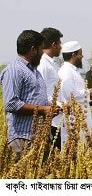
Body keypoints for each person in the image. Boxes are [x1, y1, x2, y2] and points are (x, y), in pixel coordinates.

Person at [0, 30, 58, 162]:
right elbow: (11, 104)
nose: (43, 53)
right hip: (23, 138)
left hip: (38, 136)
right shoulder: (14, 70)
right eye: (40, 49)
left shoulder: (33, 71)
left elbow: (34, 98)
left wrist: (49, 109)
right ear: (33, 49)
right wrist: (43, 110)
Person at [58, 41, 92, 149]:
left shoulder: (73, 71)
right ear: (74, 55)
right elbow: (69, 94)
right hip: (74, 118)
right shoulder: (66, 71)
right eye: (80, 54)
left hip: (82, 115)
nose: (82, 56)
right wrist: (89, 92)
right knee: (76, 149)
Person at [37, 27, 63, 150]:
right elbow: (41, 92)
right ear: (54, 44)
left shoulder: (50, 63)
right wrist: (60, 105)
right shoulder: (43, 64)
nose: (61, 47)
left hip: (57, 116)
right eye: (59, 43)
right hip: (51, 118)